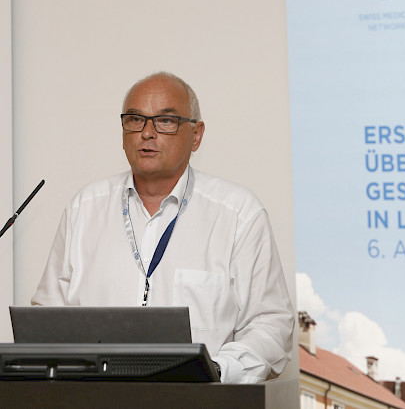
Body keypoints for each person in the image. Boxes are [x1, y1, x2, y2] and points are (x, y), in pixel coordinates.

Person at [32, 72, 294, 383]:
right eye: (135, 119)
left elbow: (271, 323)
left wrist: (217, 372)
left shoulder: (238, 214)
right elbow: (45, 319)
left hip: (199, 401)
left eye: (165, 121)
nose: (147, 133)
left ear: (196, 135)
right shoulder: (84, 208)